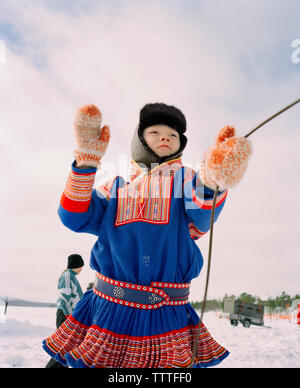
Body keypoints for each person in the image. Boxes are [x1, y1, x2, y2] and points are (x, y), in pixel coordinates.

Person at [43, 103, 252, 368]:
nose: (165, 136)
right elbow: (74, 216)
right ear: (139, 139)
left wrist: (212, 181)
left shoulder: (186, 181)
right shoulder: (116, 187)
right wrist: (85, 163)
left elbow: (201, 216)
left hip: (164, 317)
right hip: (106, 308)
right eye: (155, 131)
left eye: (173, 135)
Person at [45, 254, 84, 368]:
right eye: (81, 265)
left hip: (69, 314)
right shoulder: (67, 276)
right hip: (65, 314)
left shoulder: (71, 276)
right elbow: (64, 298)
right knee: (64, 345)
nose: (82, 268)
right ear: (76, 265)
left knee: (67, 345)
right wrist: (68, 315)